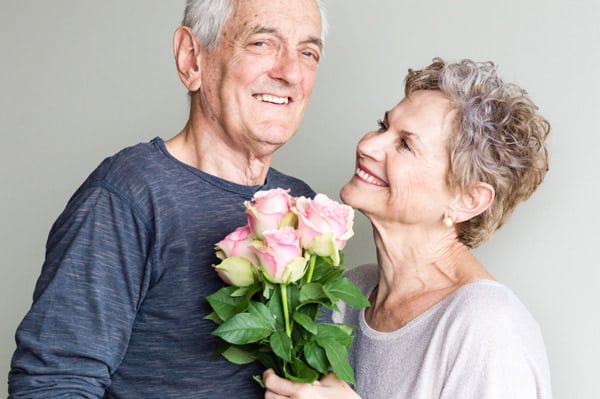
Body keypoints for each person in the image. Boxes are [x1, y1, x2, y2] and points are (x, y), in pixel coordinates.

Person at [8, 0, 327, 397]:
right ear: (192, 59)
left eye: (308, 53)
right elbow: (52, 384)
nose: (291, 72)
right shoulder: (129, 196)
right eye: (262, 43)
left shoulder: (307, 210)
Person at [263, 58, 552, 398]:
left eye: (405, 144)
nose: (367, 146)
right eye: (382, 127)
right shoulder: (350, 291)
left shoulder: (488, 326)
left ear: (468, 199)